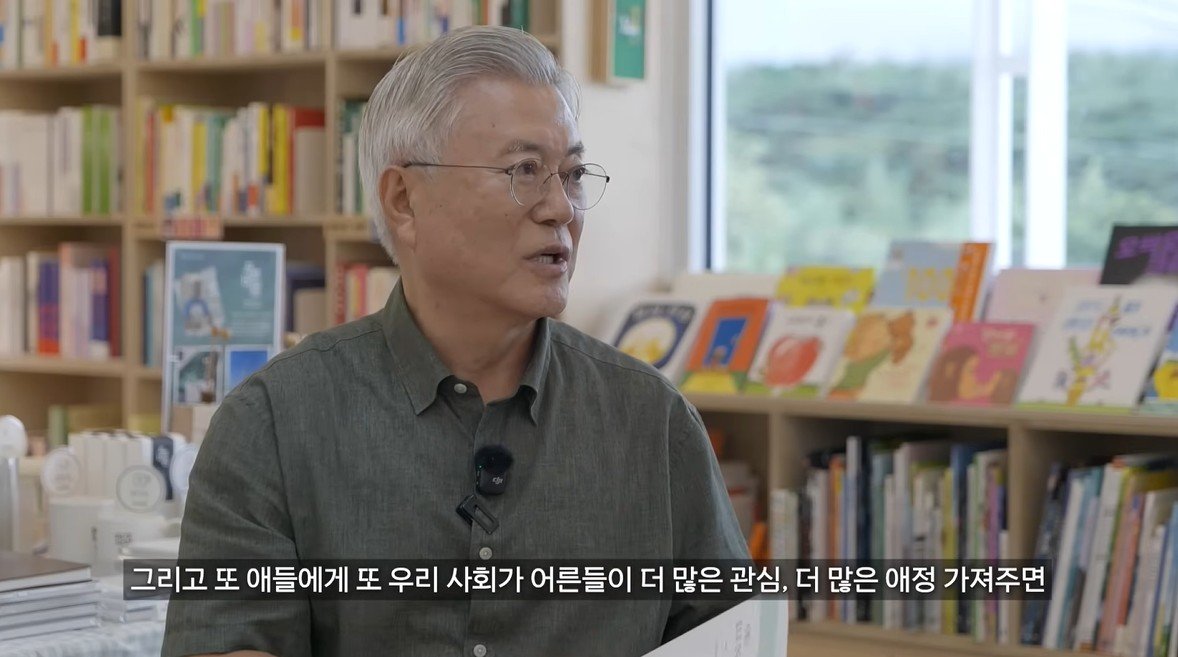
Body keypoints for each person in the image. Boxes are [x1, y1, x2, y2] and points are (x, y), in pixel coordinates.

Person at [162, 26, 750, 657]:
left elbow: (733, 639)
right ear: (404, 200)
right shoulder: (274, 422)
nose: (560, 208)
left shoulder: (653, 422)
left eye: (573, 174)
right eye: (524, 170)